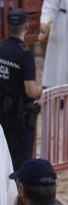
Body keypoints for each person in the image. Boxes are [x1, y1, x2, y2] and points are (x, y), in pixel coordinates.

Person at [0, 10, 41, 168]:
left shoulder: (2, 49)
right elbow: (30, 91)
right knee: (19, 163)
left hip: (3, 114)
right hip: (19, 119)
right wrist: (41, 91)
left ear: (8, 26)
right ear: (26, 25)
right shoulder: (24, 55)